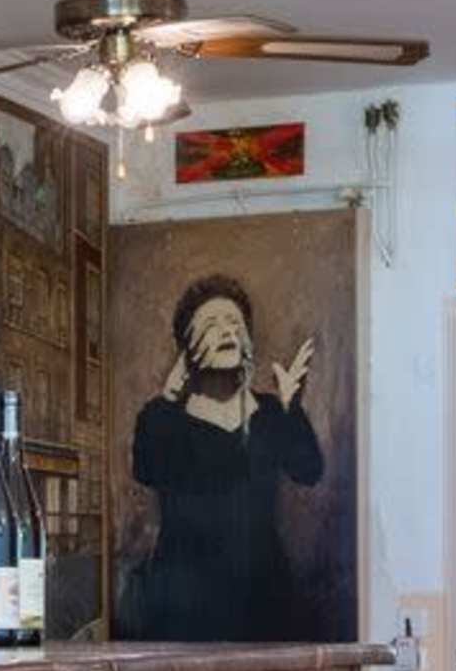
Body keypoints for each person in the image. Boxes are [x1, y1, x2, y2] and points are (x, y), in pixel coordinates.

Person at [117, 275, 327, 642]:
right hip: (183, 612)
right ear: (188, 348)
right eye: (211, 325)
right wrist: (169, 394)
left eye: (235, 323)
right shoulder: (165, 417)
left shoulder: (271, 413)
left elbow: (309, 470)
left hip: (264, 606)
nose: (226, 331)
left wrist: (292, 408)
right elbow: (146, 468)